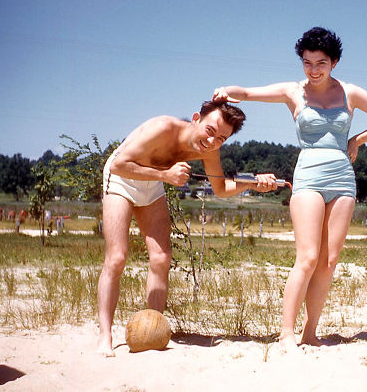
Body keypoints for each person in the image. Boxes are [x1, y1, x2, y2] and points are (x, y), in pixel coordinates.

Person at [212, 27, 367, 351]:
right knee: (308, 257)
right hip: (308, 177)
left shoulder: (350, 93)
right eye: (307, 62)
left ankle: (310, 333)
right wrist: (226, 90)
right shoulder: (293, 91)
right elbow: (249, 92)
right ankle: (286, 333)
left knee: (329, 261)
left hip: (343, 178)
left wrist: (357, 140)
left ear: (334, 62)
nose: (313, 70)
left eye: (321, 63)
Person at [97, 100, 281, 356]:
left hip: (152, 183)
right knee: (117, 258)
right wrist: (164, 175)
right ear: (196, 118)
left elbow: (220, 189)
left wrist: (251, 183)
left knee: (161, 258)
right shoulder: (162, 127)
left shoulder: (210, 149)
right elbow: (119, 164)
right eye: (209, 130)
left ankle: (152, 329)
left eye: (221, 138)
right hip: (122, 179)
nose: (212, 141)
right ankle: (104, 336)